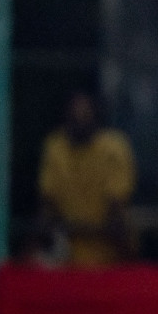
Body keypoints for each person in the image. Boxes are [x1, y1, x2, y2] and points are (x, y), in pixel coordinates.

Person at [36, 90, 137, 266]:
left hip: (110, 255)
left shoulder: (113, 147)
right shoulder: (56, 147)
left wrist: (126, 256)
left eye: (85, 114)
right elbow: (48, 203)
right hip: (68, 255)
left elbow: (116, 207)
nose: (79, 120)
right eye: (74, 115)